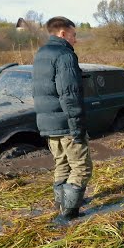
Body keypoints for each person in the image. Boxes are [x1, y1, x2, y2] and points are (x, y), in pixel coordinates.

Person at [32, 16, 92, 221]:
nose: (76, 40)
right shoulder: (65, 55)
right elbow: (69, 94)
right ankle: (69, 213)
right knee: (81, 168)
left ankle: (61, 203)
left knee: (62, 163)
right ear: (63, 33)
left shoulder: (41, 53)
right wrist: (77, 126)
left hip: (48, 123)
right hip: (65, 122)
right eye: (74, 35)